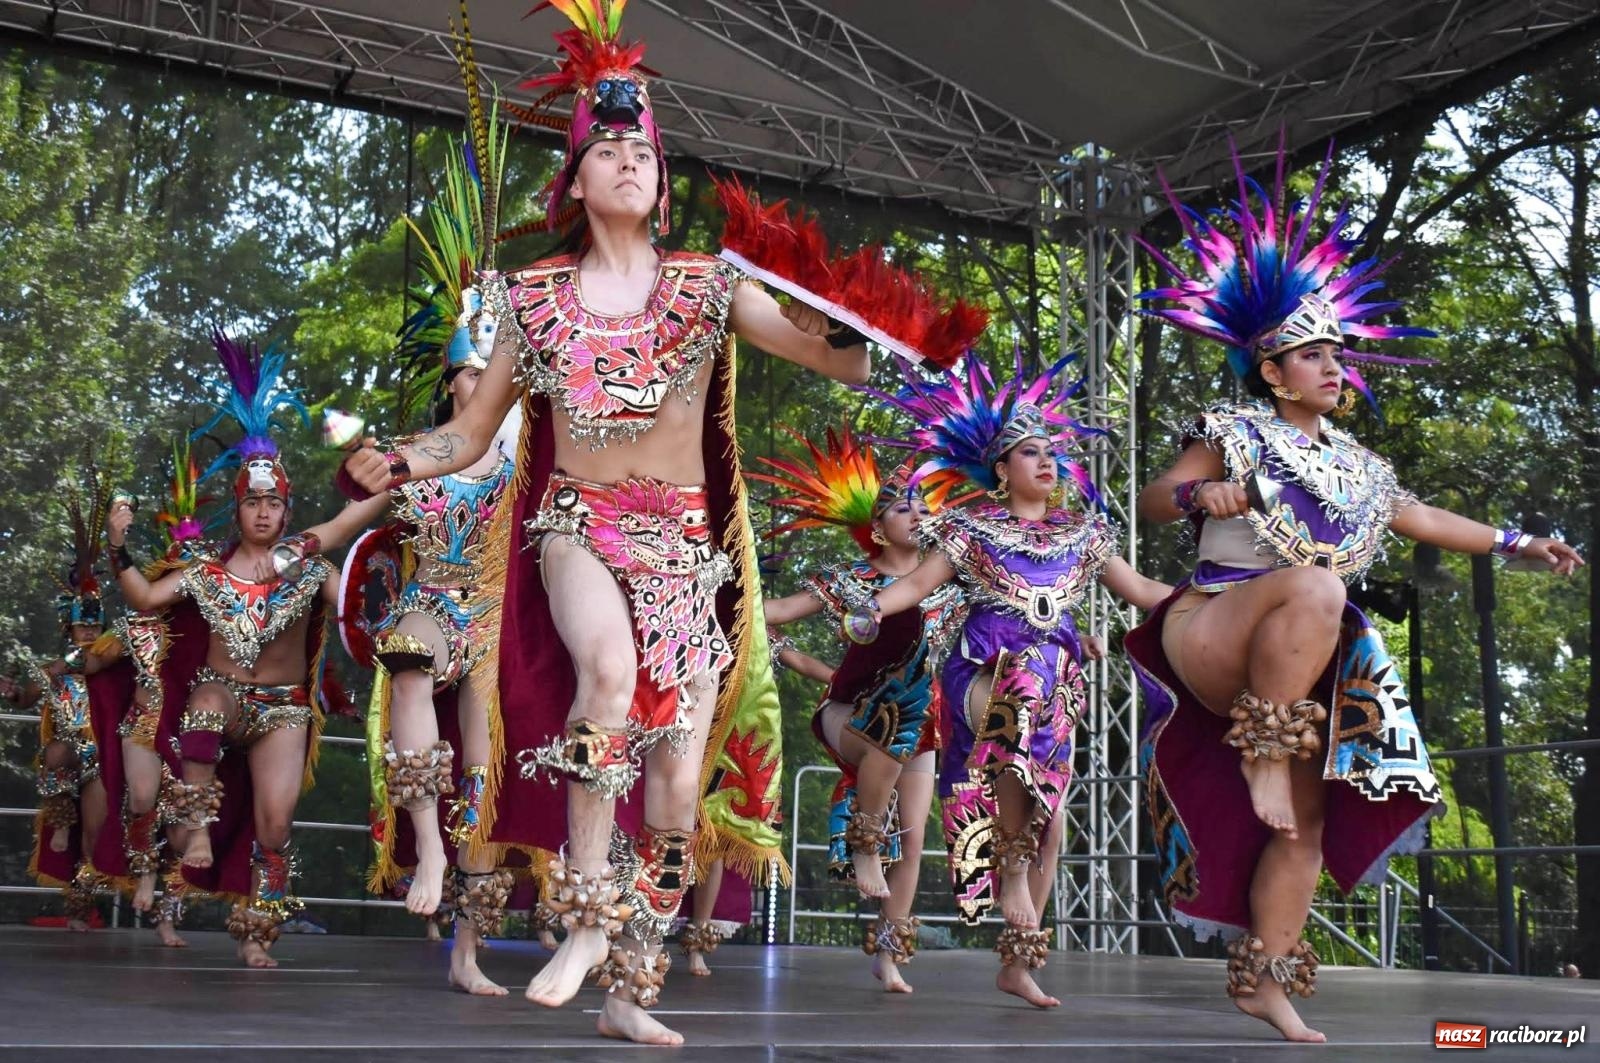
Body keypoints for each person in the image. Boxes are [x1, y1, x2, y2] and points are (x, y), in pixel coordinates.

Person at [337, 0, 883, 1043]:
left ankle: (632, 989)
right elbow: (471, 434)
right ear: (576, 180)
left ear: (663, 184)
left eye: (644, 149)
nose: (630, 159)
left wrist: (853, 321)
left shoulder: (712, 285)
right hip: (574, 524)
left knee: (676, 781)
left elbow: (834, 357)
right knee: (606, 678)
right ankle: (584, 908)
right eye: (609, 147)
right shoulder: (530, 297)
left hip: (685, 547)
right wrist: (396, 455)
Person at [1127, 144, 1583, 1042]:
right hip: (1216, 624)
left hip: (1302, 658)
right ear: (1271, 371)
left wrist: (1516, 541)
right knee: (1316, 583)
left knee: (1303, 824)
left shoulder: (1362, 469)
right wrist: (1197, 493)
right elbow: (1148, 500)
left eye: (1338, 352)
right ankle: (1261, 748)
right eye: (1315, 353)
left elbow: (1422, 516)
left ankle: (1268, 977)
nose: (1335, 366)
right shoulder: (1231, 429)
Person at [855, 349, 1171, 1008]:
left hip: (1057, 688)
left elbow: (1141, 588)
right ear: (1002, 469)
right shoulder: (970, 532)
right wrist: (871, 605)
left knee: (1052, 823)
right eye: (1030, 451)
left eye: (1052, 451)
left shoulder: (1085, 537)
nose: (1047, 460)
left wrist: (1218, 603)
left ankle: (1018, 962)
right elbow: (914, 583)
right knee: (1026, 682)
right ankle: (1011, 874)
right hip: (984, 677)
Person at [110, 331, 341, 969]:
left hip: (284, 710)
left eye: (274, 501)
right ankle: (198, 832)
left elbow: (359, 607)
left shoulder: (312, 572)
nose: (263, 512)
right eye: (252, 502)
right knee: (207, 699)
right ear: (236, 511)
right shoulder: (205, 573)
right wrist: (117, 546)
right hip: (224, 698)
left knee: (276, 827)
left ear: (288, 508)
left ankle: (256, 935)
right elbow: (146, 598)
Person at [757, 426, 966, 992]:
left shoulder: (952, 582)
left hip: (923, 723)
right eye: (902, 506)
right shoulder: (853, 579)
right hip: (851, 712)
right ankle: (865, 840)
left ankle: (889, 952)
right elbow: (778, 610)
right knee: (889, 731)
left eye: (922, 504)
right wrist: (728, 589)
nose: (916, 512)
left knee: (917, 837)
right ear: (877, 528)